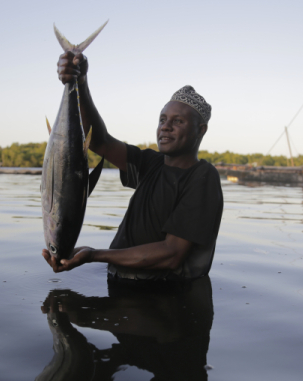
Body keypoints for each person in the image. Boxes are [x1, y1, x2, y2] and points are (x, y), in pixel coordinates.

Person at [42, 50, 223, 281]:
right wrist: (80, 81)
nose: (165, 127)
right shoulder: (150, 163)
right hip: (125, 296)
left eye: (178, 121)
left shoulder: (203, 177)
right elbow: (99, 141)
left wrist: (94, 255)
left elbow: (172, 254)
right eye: (162, 119)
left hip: (167, 304)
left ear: (201, 130)